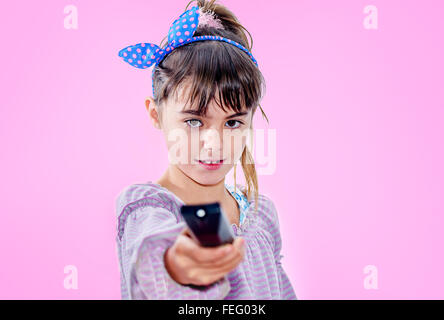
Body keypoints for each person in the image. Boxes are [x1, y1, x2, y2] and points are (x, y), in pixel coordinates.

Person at [115, 0, 297, 299]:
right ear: (155, 114)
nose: (214, 143)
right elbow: (155, 262)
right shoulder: (148, 208)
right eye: (194, 121)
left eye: (233, 122)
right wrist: (178, 266)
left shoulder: (262, 213)